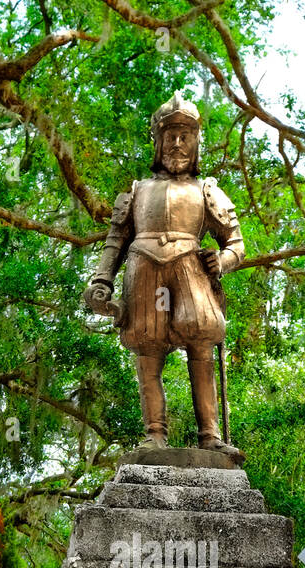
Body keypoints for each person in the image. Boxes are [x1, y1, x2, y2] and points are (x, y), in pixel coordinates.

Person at [83, 91, 246, 463]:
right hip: (144, 270)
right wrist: (101, 281)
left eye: (185, 136)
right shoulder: (138, 190)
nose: (177, 143)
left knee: (200, 342)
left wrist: (221, 261)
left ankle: (210, 436)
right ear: (157, 141)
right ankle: (154, 434)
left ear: (196, 142)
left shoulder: (208, 190)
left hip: (190, 270)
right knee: (148, 348)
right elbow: (115, 241)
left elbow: (236, 244)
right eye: (170, 136)